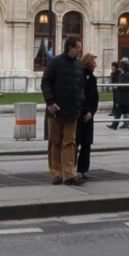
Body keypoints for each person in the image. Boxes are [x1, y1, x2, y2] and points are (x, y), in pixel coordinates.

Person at [41, 35, 88, 184]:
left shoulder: (79, 65)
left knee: (70, 141)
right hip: (56, 109)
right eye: (78, 47)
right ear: (71, 47)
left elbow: (81, 87)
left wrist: (81, 102)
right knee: (55, 141)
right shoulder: (55, 62)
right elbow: (45, 83)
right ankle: (56, 172)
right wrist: (50, 102)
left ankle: (69, 174)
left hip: (73, 109)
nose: (80, 50)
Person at [75, 52, 100, 179]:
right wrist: (90, 111)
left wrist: (91, 111)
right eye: (94, 63)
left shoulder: (90, 77)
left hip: (83, 113)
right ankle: (81, 169)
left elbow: (94, 97)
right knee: (83, 143)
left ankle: (76, 169)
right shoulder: (82, 77)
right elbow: (92, 97)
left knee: (80, 143)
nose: (95, 65)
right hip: (82, 113)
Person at [111, 56, 129, 130]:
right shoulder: (123, 73)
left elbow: (126, 86)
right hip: (123, 96)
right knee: (119, 111)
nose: (120, 65)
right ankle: (114, 125)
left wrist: (118, 87)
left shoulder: (128, 74)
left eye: (121, 64)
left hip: (126, 96)